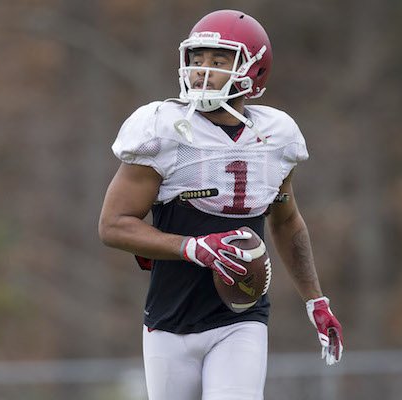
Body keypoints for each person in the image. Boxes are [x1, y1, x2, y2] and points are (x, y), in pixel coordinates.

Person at [98, 9, 343, 400]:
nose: (202, 71)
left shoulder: (275, 137)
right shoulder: (164, 129)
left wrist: (315, 299)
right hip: (170, 320)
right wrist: (193, 248)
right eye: (197, 60)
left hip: (241, 318)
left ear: (253, 70)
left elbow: (286, 222)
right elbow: (113, 225)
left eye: (218, 61)